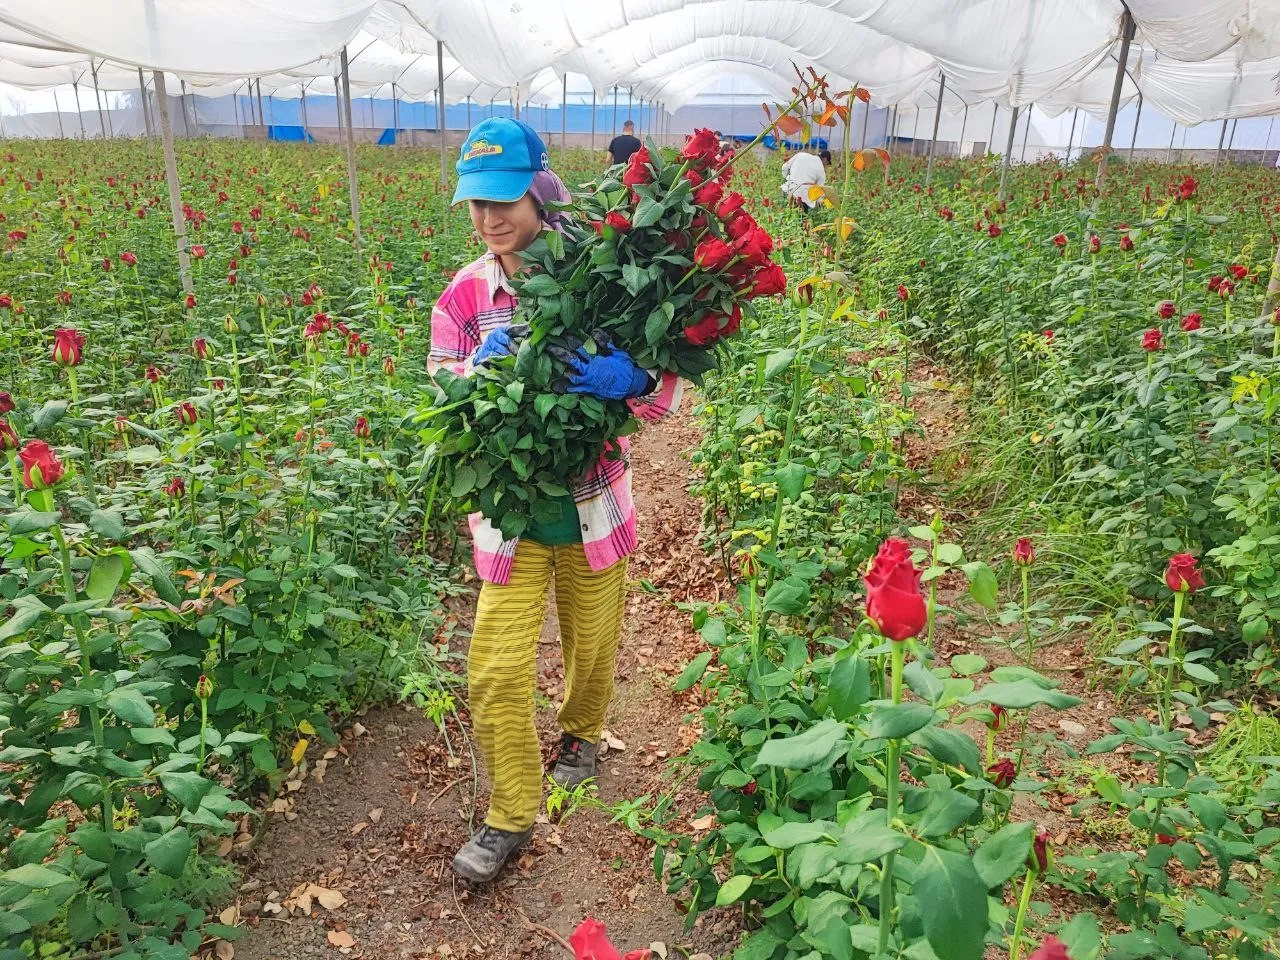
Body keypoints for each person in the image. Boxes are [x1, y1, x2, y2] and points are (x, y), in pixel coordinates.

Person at [429, 117, 683, 883]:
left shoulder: (600, 278)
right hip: (511, 516)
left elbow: (663, 388)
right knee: (495, 669)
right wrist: (471, 373)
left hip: (592, 503)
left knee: (592, 643)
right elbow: (439, 389)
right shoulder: (465, 295)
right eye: (476, 203)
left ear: (539, 192)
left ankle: (581, 733)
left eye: (503, 199)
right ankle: (510, 814)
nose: (489, 218)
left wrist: (630, 378)